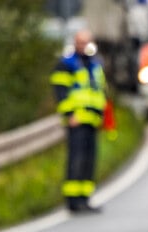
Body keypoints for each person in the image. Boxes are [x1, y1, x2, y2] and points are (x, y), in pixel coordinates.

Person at [50, 29, 107, 212]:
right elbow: (60, 91)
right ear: (75, 43)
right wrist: (69, 115)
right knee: (77, 160)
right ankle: (73, 201)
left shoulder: (94, 64)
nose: (85, 46)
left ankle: (84, 199)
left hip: (92, 120)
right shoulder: (67, 64)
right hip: (77, 120)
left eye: (88, 42)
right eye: (81, 43)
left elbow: (100, 90)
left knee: (89, 161)